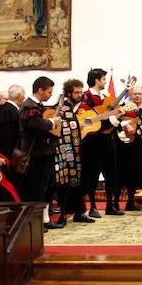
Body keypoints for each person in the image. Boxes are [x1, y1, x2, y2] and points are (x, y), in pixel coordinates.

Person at [18, 76, 62, 230]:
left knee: (47, 187)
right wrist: (52, 122)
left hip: (45, 152)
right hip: (35, 154)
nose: (50, 94)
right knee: (36, 189)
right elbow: (35, 124)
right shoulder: (29, 106)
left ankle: (45, 219)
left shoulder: (38, 106)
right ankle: (34, 222)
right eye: (49, 92)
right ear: (40, 90)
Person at [80, 69, 125, 219]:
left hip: (108, 140)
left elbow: (112, 118)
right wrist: (106, 121)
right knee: (92, 175)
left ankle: (110, 205)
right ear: (97, 80)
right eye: (104, 79)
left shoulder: (108, 98)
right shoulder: (86, 97)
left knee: (112, 174)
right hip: (92, 142)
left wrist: (117, 119)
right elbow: (87, 120)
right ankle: (92, 206)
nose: (105, 81)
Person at [52, 79, 86, 225]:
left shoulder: (81, 108)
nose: (79, 95)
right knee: (65, 184)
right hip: (63, 153)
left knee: (78, 183)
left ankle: (79, 212)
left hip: (78, 151)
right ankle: (64, 215)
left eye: (81, 92)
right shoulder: (60, 108)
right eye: (76, 92)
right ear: (68, 93)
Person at [114, 86, 142, 212]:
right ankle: (115, 203)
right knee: (120, 173)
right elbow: (114, 120)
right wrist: (125, 125)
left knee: (134, 174)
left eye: (140, 94)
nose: (138, 96)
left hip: (138, 145)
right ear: (130, 94)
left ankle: (130, 202)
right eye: (135, 94)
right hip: (123, 145)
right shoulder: (124, 107)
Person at [0, 84, 24, 159]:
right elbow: (12, 136)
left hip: (0, 151)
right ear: (19, 96)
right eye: (24, 95)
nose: (24, 98)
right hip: (10, 154)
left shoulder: (2, 107)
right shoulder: (13, 111)